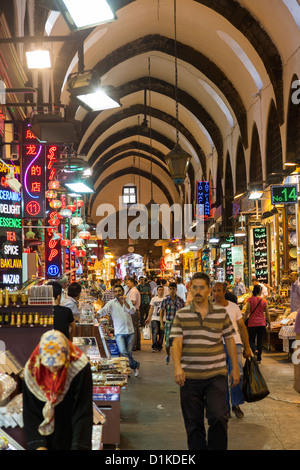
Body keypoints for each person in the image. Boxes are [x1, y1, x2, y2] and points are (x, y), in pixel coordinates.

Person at [170, 272, 239, 450]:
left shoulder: (221, 314)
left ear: (209, 290)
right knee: (193, 424)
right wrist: (177, 368)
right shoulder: (181, 315)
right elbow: (176, 342)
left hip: (216, 375)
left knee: (219, 417)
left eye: (202, 287)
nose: (198, 291)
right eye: (195, 287)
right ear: (190, 289)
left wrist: (235, 368)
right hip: (189, 376)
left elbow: (230, 339)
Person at [22, 329, 93, 450]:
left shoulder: (79, 367)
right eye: (47, 366)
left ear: (66, 358)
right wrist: (38, 445)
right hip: (43, 434)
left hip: (71, 428)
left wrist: (78, 447)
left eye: (57, 366)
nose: (52, 370)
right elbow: (30, 413)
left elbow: (82, 411)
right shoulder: (32, 370)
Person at [212, 282, 252, 419]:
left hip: (235, 344)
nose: (216, 294)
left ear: (224, 292)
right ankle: (225, 407)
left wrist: (247, 347)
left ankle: (235, 403)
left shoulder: (233, 307)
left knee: (238, 375)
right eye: (213, 291)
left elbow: (242, 327)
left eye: (218, 291)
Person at [97, 284, 140, 377]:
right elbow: (104, 310)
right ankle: (135, 365)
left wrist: (125, 303)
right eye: (115, 292)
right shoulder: (111, 303)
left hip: (130, 331)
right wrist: (97, 314)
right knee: (123, 351)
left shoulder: (128, 301)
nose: (117, 293)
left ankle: (126, 371)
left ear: (123, 292)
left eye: (119, 291)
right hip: (119, 332)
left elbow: (133, 311)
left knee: (128, 353)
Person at [244, 284, 271, 364]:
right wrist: (269, 323)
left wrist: (242, 321)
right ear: (260, 291)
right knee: (260, 341)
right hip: (262, 323)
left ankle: (254, 349)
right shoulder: (264, 301)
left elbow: (247, 312)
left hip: (252, 323)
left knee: (251, 339)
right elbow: (267, 313)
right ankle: (259, 358)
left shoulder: (250, 300)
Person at [160, 282, 185, 365]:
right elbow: (162, 311)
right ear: (169, 289)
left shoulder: (180, 300)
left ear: (176, 290)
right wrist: (161, 323)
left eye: (173, 289)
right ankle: (168, 354)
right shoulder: (165, 300)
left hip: (178, 324)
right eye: (170, 289)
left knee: (178, 342)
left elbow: (183, 312)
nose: (172, 291)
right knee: (167, 343)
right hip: (168, 323)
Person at [145, 285, 165, 352]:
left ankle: (159, 346)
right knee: (155, 331)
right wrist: (148, 318)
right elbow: (151, 309)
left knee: (162, 333)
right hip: (154, 318)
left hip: (163, 318)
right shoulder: (153, 299)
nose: (161, 291)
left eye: (162, 290)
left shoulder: (165, 299)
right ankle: (154, 346)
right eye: (159, 290)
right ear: (157, 291)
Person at [126, 277, 141, 350]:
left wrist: (125, 302)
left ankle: (134, 345)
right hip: (135, 311)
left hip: (133, 311)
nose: (127, 284)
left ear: (132, 283)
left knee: (133, 329)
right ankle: (137, 345)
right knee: (136, 328)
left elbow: (133, 301)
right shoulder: (133, 290)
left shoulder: (133, 291)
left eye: (128, 283)